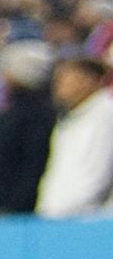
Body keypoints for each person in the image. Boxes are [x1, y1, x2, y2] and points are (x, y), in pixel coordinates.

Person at [0, 41, 58, 215]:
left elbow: (32, 163)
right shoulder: (13, 109)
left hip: (12, 209)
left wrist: (15, 204)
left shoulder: (34, 114)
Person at [36, 54, 113, 216]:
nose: (58, 86)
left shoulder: (106, 114)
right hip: (57, 215)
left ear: (89, 80)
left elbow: (98, 173)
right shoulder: (66, 120)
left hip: (88, 217)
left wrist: (69, 210)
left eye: (66, 79)